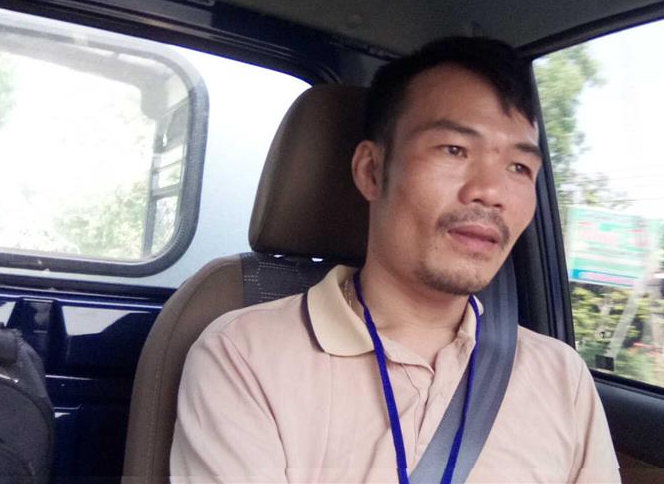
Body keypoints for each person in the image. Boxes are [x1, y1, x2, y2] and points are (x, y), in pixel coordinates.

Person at [170, 37, 621, 483]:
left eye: (519, 168)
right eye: (455, 149)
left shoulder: (561, 377)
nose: (491, 192)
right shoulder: (245, 356)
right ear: (371, 171)